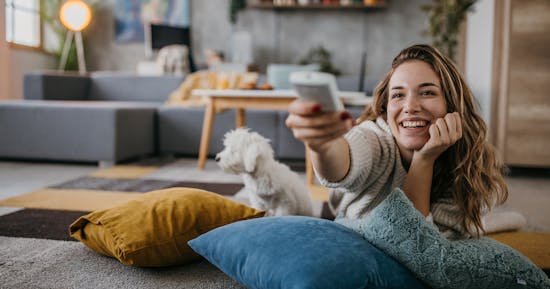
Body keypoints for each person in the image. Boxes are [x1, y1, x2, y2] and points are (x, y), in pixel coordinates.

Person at [285, 44, 508, 239]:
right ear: (385, 106)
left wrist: (424, 160)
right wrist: (322, 145)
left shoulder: (467, 166)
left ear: (452, 106)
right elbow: (343, 162)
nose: (410, 107)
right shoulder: (375, 138)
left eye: (427, 92)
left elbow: (416, 245)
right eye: (398, 95)